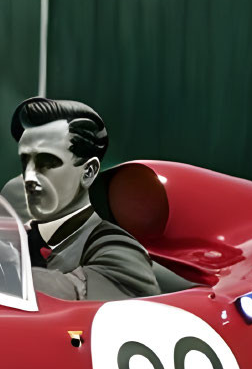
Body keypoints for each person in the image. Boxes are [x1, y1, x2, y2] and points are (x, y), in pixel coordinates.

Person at [8, 97, 158, 301]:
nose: (29, 177)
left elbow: (126, 306)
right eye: (25, 162)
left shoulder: (116, 249)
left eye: (47, 162)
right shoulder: (16, 238)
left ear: (88, 171)